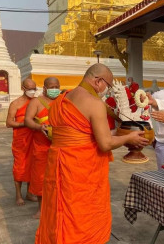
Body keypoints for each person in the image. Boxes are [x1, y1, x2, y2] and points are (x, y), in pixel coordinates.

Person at [36, 63, 149, 244]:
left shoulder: (60, 101)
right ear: (98, 81)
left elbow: (76, 134)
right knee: (83, 215)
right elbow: (105, 143)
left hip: (58, 165)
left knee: (59, 210)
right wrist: (128, 138)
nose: (108, 91)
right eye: (108, 86)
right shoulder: (94, 103)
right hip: (82, 171)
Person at [24, 77, 60, 219]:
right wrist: (40, 127)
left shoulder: (62, 101)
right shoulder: (36, 102)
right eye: (51, 86)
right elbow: (27, 120)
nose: (54, 89)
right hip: (41, 146)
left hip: (60, 145)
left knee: (60, 178)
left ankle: (57, 206)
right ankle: (41, 208)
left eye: (57, 86)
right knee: (41, 178)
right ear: (44, 88)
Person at [6, 79, 38, 206]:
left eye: (34, 89)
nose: (32, 91)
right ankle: (18, 195)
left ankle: (30, 193)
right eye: (30, 88)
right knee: (20, 166)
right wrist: (24, 124)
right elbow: (9, 123)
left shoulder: (37, 102)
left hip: (35, 138)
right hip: (21, 140)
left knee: (33, 165)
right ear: (23, 88)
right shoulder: (16, 104)